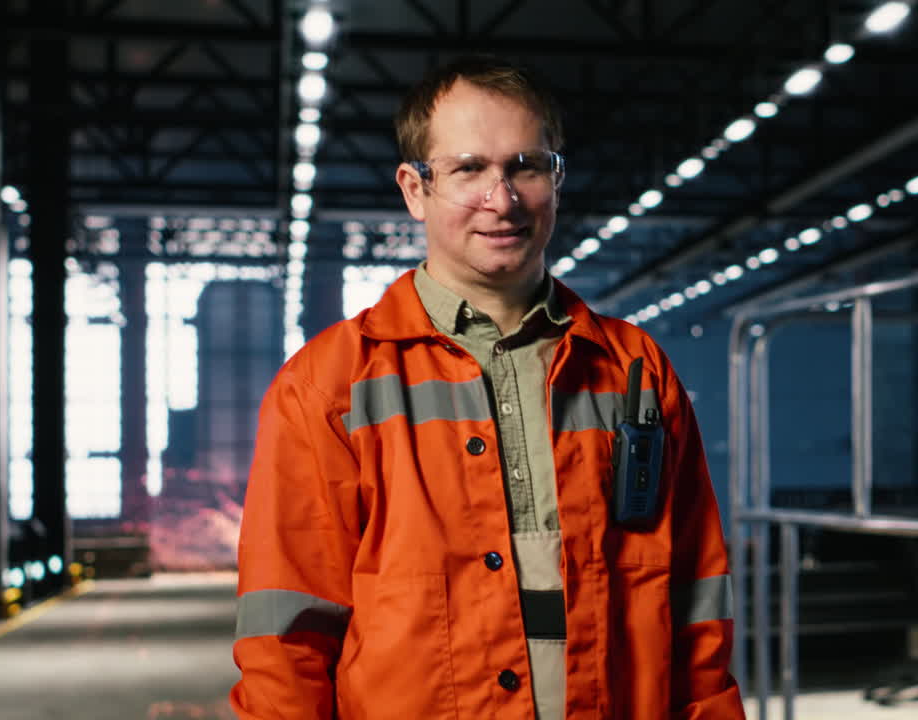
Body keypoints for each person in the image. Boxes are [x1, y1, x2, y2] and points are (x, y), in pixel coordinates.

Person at [230, 55, 744, 719]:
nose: (501, 201)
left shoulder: (632, 370)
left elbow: (697, 602)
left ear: (555, 180)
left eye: (525, 167)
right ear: (415, 189)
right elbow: (287, 632)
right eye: (469, 169)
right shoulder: (329, 386)